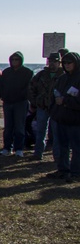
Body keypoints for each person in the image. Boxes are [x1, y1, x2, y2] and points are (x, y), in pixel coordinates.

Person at [49, 51, 80, 182]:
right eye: (64, 63)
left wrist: (65, 101)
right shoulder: (62, 78)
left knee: (77, 148)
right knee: (62, 146)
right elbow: (54, 95)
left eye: (69, 62)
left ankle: (76, 172)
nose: (67, 65)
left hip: (75, 120)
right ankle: (63, 170)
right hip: (60, 118)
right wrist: (54, 109)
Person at [28, 50, 63, 161]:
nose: (52, 63)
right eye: (50, 61)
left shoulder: (63, 76)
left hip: (57, 109)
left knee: (56, 134)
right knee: (40, 132)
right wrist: (35, 102)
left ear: (59, 62)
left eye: (55, 61)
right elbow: (31, 88)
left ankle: (57, 156)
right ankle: (38, 154)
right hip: (42, 107)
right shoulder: (41, 75)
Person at [0, 52, 34, 157]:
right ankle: (6, 148)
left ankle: (19, 149)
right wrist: (3, 95)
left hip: (21, 103)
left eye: (17, 59)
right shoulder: (6, 72)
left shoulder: (28, 72)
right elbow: (1, 85)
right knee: (8, 127)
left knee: (19, 127)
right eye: (13, 59)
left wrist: (26, 99)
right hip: (8, 102)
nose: (14, 61)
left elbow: (29, 88)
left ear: (21, 60)